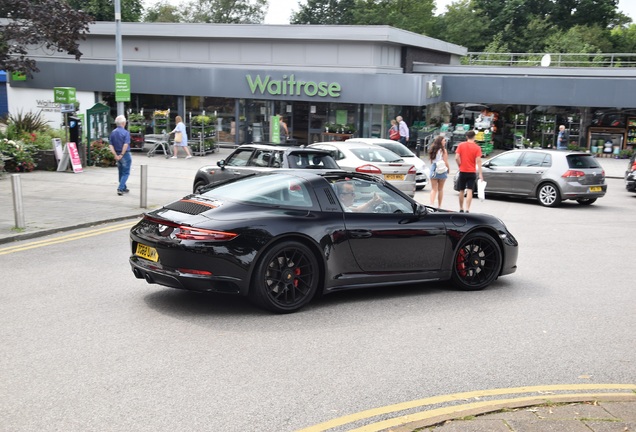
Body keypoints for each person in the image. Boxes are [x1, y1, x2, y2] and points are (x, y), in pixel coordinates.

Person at [455, 130, 483, 213]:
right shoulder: (477, 148)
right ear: (474, 137)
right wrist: (480, 173)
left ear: (467, 137)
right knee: (470, 190)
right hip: (472, 171)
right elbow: (478, 161)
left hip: (463, 171)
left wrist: (460, 165)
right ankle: (467, 208)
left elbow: (456, 157)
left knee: (461, 190)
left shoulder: (461, 145)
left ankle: (461, 208)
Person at [109, 115, 132, 196]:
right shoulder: (126, 133)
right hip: (125, 154)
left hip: (117, 153)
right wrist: (122, 154)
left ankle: (124, 187)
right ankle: (121, 188)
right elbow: (125, 144)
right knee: (126, 172)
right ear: (123, 123)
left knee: (120, 171)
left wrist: (115, 155)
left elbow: (111, 145)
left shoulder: (113, 132)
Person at [428, 135, 449, 208]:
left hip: (434, 168)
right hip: (442, 168)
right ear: (440, 142)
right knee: (440, 189)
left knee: (433, 189)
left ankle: (431, 204)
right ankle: (439, 205)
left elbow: (431, 161)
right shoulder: (443, 150)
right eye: (444, 141)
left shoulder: (433, 149)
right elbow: (445, 161)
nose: (445, 142)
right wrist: (448, 168)